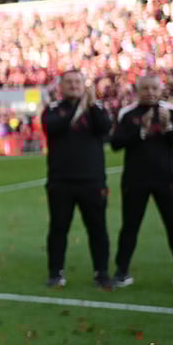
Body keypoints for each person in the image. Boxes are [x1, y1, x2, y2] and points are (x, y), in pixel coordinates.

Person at [110, 74, 173, 289]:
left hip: (167, 179)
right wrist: (141, 130)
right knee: (130, 226)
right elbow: (116, 143)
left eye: (153, 88)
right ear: (137, 91)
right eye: (145, 88)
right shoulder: (127, 113)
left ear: (160, 90)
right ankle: (122, 272)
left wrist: (167, 128)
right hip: (135, 180)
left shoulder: (171, 111)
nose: (149, 92)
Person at [41, 70, 113, 289]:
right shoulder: (53, 110)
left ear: (84, 85)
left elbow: (105, 128)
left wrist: (89, 106)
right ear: (60, 87)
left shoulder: (96, 109)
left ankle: (101, 273)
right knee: (58, 229)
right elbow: (53, 128)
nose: (73, 86)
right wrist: (79, 109)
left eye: (77, 82)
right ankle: (55, 273)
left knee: (97, 229)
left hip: (92, 181)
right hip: (60, 181)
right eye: (69, 82)